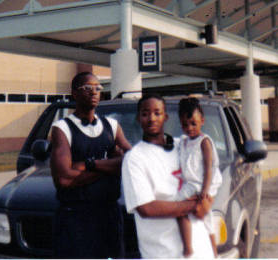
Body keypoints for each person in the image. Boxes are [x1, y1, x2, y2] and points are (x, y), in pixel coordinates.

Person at [50, 71, 132, 259]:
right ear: (74, 94)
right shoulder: (62, 129)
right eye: (87, 88)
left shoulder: (112, 126)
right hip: (76, 218)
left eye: (98, 88)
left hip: (109, 215)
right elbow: (64, 179)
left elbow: (131, 160)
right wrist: (110, 167)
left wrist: (88, 165)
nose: (94, 92)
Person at [122, 94, 214, 258]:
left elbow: (211, 176)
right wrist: (194, 206)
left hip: (200, 249)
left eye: (157, 113)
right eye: (145, 113)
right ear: (138, 118)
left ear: (166, 117)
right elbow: (146, 208)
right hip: (163, 252)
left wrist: (208, 200)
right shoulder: (134, 158)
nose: (151, 118)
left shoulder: (184, 146)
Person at [176, 97, 223, 257]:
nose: (189, 128)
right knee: (201, 218)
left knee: (180, 208)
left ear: (202, 121)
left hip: (200, 185)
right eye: (185, 125)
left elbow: (208, 168)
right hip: (190, 185)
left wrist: (205, 190)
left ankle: (197, 249)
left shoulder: (204, 142)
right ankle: (191, 246)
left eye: (193, 123)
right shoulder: (183, 142)